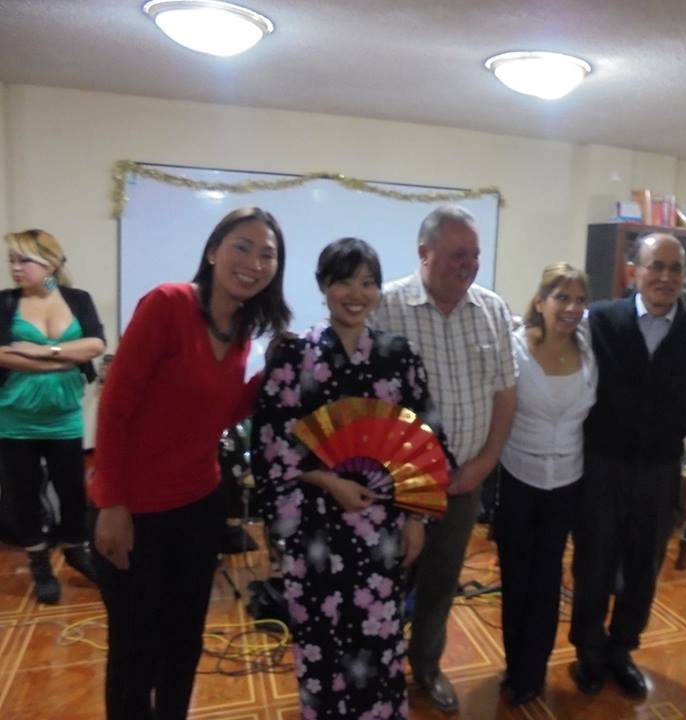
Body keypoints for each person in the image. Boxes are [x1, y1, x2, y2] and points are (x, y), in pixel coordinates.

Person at [89, 207, 290, 720]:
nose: (254, 262)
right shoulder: (168, 303)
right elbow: (115, 407)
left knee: (184, 642)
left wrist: (271, 374)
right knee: (135, 651)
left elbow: (218, 413)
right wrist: (112, 504)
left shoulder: (241, 327)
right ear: (213, 251)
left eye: (267, 254)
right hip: (136, 510)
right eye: (242, 246)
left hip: (199, 507)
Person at [251, 237, 451, 720]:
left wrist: (416, 518)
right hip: (313, 525)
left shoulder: (398, 356)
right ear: (323, 285)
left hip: (381, 527)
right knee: (318, 637)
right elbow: (272, 441)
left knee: (379, 636)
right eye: (343, 281)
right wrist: (327, 480)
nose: (356, 294)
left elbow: (423, 443)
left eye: (367, 283)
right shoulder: (293, 354)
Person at [374, 205, 517, 713]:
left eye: (474, 254)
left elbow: (506, 394)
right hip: (394, 487)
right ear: (424, 253)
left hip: (464, 482)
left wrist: (484, 463)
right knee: (382, 583)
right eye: (458, 254)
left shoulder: (492, 309)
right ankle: (377, 675)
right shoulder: (384, 306)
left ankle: (427, 667)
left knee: (440, 583)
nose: (469, 264)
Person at [568, 232, 686, 698]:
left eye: (675, 268)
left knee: (643, 567)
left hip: (660, 471)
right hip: (601, 466)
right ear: (633, 271)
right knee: (593, 563)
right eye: (656, 266)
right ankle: (588, 653)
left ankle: (621, 650)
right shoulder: (599, 320)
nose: (665, 277)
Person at [496, 263, 596, 705]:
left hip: (568, 481)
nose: (572, 307)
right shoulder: (515, 349)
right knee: (517, 577)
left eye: (579, 300)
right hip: (519, 477)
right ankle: (515, 666)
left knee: (548, 578)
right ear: (540, 301)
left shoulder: (588, 350)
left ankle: (533, 671)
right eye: (562, 297)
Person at [0, 229, 105, 603]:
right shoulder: (6, 302)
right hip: (15, 419)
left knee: (72, 491)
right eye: (11, 260)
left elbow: (95, 344)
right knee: (24, 495)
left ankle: (76, 551)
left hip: (64, 418)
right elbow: (2, 354)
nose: (15, 268)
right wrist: (64, 357)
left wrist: (41, 351)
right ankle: (39, 563)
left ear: (50, 263)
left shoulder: (77, 299)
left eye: (23, 260)